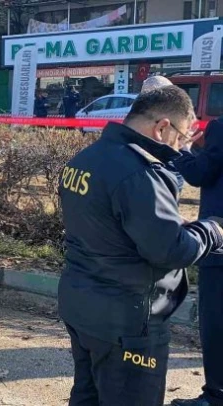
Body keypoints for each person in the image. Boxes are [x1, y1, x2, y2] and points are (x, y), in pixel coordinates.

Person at [58, 85, 223, 406]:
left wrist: (166, 225)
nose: (180, 149)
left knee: (87, 396)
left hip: (81, 306)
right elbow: (173, 251)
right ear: (162, 128)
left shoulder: (86, 158)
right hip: (129, 321)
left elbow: (110, 224)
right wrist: (213, 229)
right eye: (181, 138)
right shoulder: (141, 174)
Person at [170, 116, 223, 406]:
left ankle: (215, 396)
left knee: (216, 322)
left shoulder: (220, 127)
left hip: (220, 243)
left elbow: (199, 173)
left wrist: (182, 147)